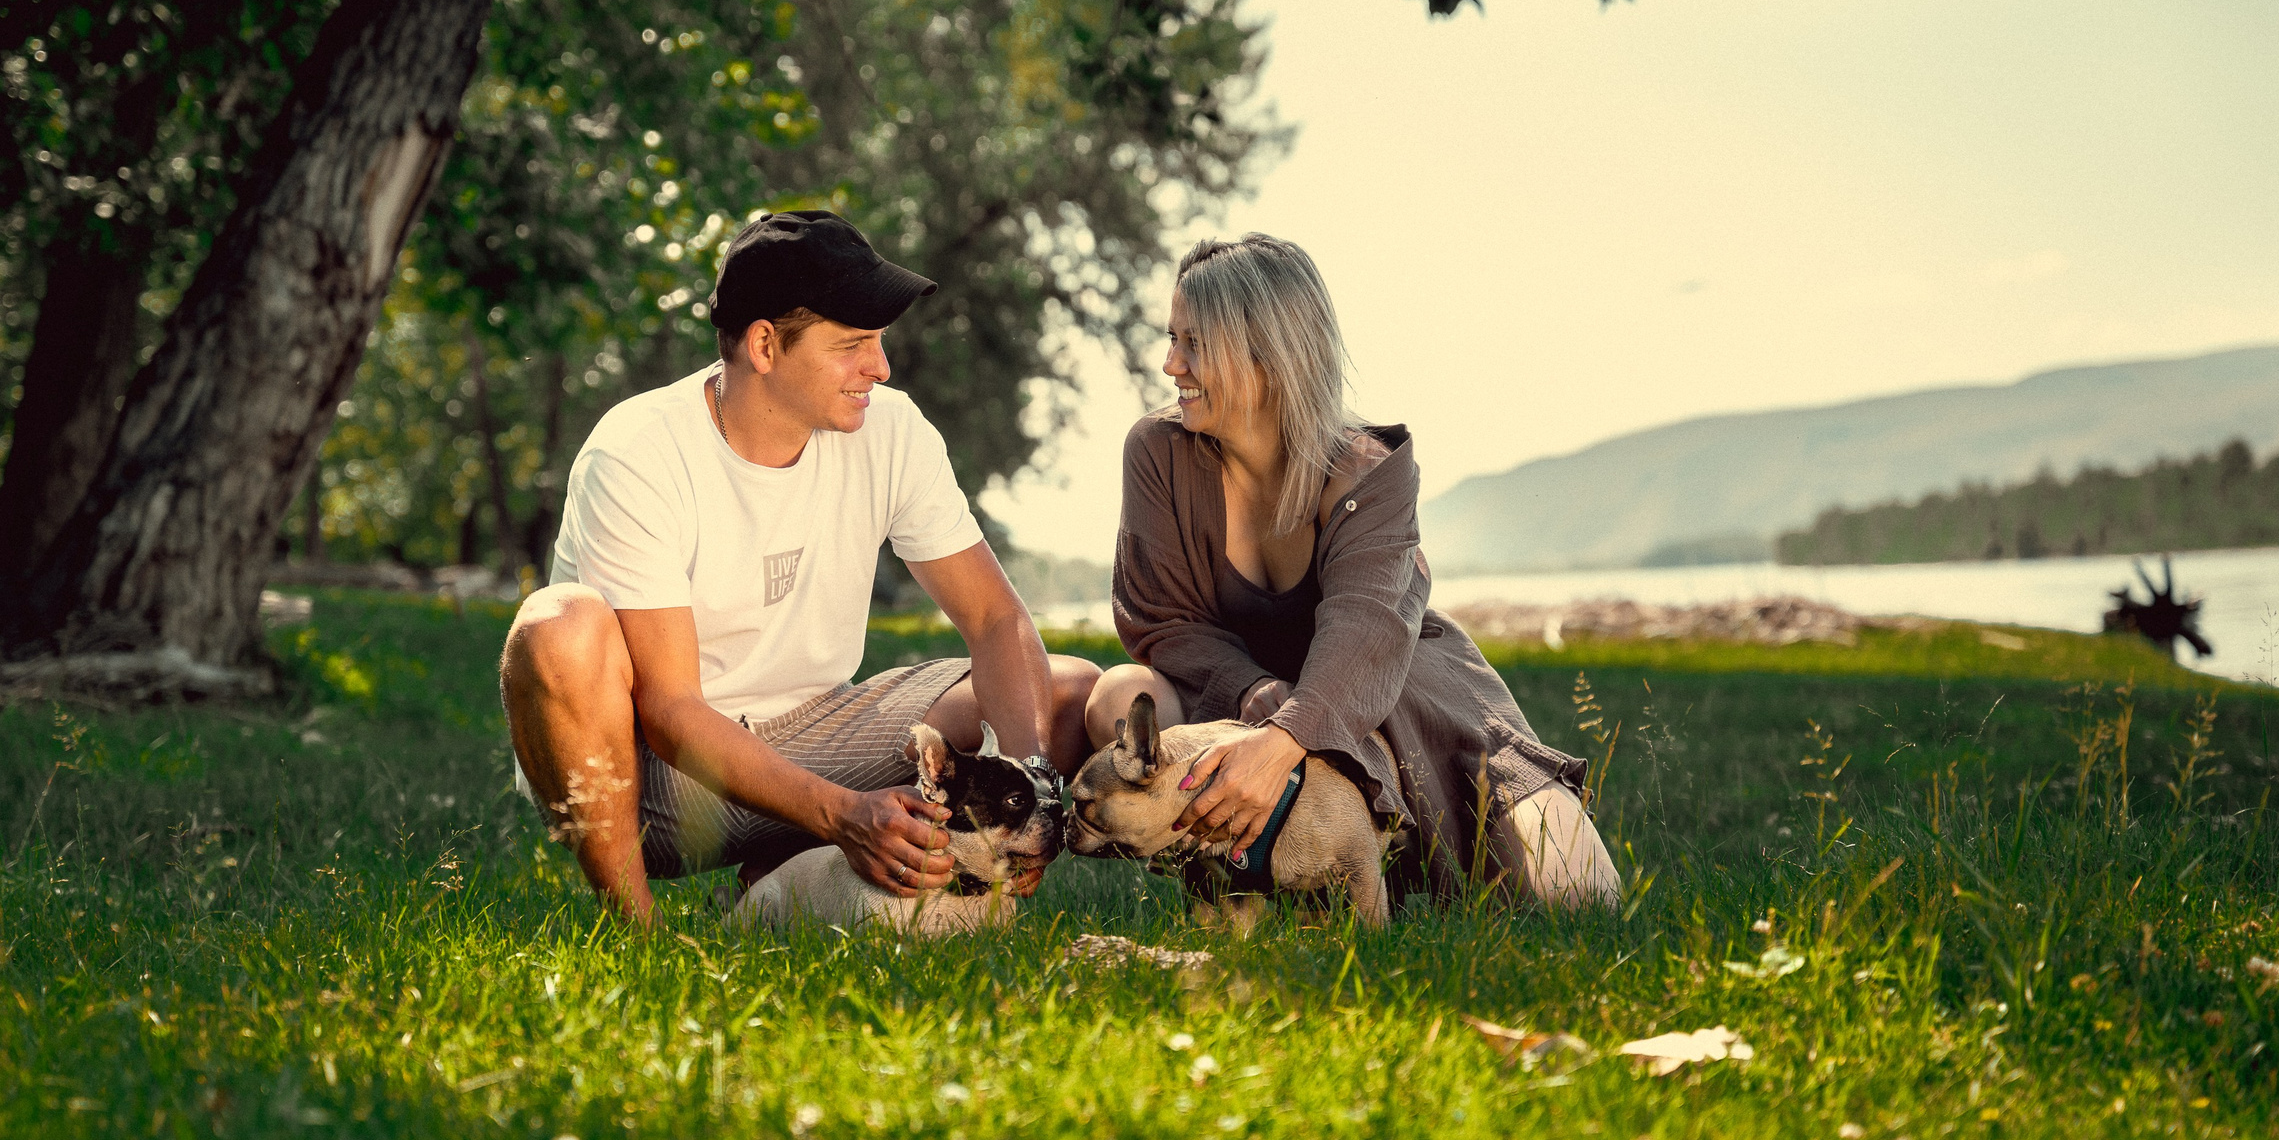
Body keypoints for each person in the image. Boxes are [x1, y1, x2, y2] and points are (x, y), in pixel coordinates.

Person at [501, 210, 1101, 925]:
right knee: (557, 627)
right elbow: (670, 712)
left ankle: (778, 884)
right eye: (853, 345)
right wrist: (844, 813)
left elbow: (996, 618)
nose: (879, 367)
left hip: (821, 731)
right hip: (662, 784)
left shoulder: (892, 428)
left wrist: (1029, 776)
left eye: (877, 342)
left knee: (1064, 692)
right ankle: (639, 935)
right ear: (763, 344)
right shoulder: (637, 453)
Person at [1086, 232, 1620, 908]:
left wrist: (1285, 738)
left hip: (1389, 690)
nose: (1170, 364)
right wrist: (1254, 695)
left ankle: (1356, 855)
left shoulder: (1371, 469)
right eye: (1172, 338)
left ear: (1269, 356)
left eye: (1193, 343)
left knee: (1585, 895)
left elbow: (1364, 626)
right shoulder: (1156, 451)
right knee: (1119, 692)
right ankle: (1241, 868)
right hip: (1238, 700)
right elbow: (1164, 622)